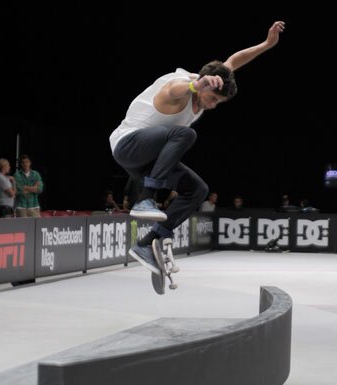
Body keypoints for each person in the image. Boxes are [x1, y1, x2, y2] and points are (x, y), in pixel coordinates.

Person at [109, 21, 285, 272]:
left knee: (198, 190)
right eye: (212, 99)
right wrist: (194, 86)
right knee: (184, 134)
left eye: (217, 103)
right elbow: (173, 90)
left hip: (150, 160)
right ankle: (146, 199)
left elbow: (234, 61)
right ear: (202, 84)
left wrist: (267, 44)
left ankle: (148, 244)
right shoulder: (180, 86)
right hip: (127, 146)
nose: (212, 106)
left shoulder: (214, 80)